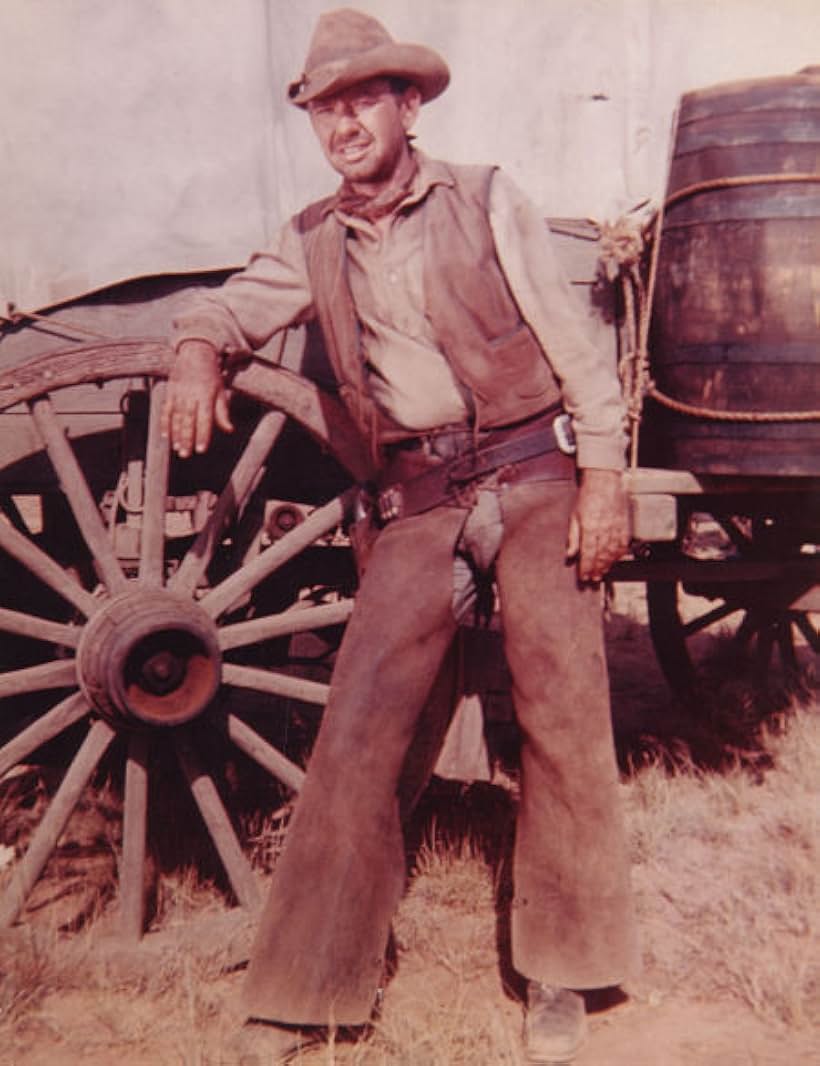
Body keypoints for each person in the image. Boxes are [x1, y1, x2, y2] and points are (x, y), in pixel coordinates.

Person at [162, 8, 637, 1063]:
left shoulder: (485, 198)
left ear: (406, 105)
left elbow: (575, 348)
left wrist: (603, 477)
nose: (342, 126)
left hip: (532, 470)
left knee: (560, 706)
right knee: (360, 727)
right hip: (419, 496)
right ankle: (302, 994)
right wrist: (196, 348)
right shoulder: (309, 238)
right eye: (324, 109)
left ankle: (561, 972)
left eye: (360, 101)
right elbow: (232, 309)